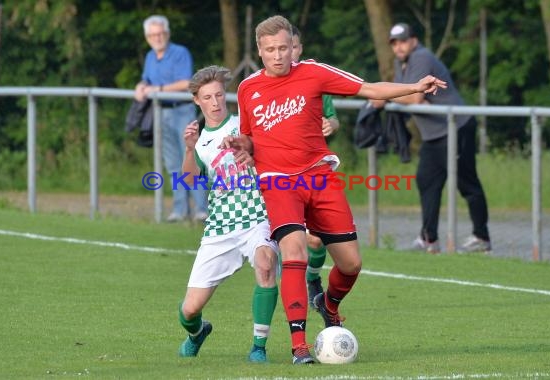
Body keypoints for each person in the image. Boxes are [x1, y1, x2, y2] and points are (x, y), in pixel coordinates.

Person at [221, 15, 447, 364]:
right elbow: (250, 137)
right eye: (270, 50)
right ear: (259, 50)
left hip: (319, 177)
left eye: (283, 47)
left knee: (351, 263)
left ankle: (328, 304)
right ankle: (299, 347)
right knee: (293, 253)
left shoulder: (313, 72)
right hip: (278, 182)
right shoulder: (247, 88)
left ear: (292, 46)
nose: (278, 55)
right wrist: (242, 143)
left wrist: (414, 87)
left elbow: (370, 89)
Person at [177, 65, 279, 363]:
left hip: (257, 216)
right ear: (197, 100)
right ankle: (197, 333)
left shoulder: (243, 125)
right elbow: (188, 180)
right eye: (208, 97)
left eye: (219, 95)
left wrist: (250, 150)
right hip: (220, 226)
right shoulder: (200, 140)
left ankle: (259, 347)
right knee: (189, 310)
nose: (215, 102)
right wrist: (189, 149)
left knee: (265, 263)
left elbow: (268, 153)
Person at [375, 23, 491, 254]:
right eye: (394, 43)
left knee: (467, 183)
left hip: (456, 127)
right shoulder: (402, 63)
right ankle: (429, 239)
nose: (398, 47)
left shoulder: (421, 57)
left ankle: (482, 237)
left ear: (414, 40)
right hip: (435, 134)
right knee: (426, 180)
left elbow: (414, 99)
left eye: (403, 41)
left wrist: (386, 99)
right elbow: (408, 96)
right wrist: (398, 97)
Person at [134, 15, 208, 223]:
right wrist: (141, 86)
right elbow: (147, 79)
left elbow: (186, 82)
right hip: (161, 111)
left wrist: (157, 89)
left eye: (160, 33)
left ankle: (202, 209)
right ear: (147, 37)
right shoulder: (150, 56)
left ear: (167, 34)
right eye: (152, 35)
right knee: (172, 163)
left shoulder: (180, 53)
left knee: (192, 159)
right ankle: (180, 209)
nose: (157, 38)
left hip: (182, 110)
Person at [290, 26, 338, 310]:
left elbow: (332, 117)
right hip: (284, 174)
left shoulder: (315, 81)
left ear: (300, 48)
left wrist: (332, 124)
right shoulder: (265, 84)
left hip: (316, 169)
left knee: (317, 239)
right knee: (292, 241)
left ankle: (311, 278)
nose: (289, 53)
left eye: (293, 47)